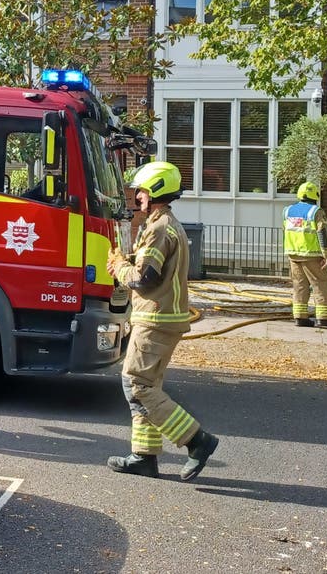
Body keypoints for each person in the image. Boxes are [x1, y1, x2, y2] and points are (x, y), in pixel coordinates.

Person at [105, 161, 219, 481]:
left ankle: (197, 441)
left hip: (156, 318)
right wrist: (126, 259)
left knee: (136, 384)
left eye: (140, 190)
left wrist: (120, 269)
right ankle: (143, 456)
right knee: (145, 385)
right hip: (160, 316)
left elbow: (144, 278)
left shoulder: (158, 227)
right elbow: (149, 268)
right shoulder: (162, 223)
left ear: (154, 190)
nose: (137, 195)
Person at [282, 181, 327, 329]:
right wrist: (326, 254)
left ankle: (300, 317)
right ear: (316, 196)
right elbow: (322, 232)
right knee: (320, 284)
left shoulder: (288, 211)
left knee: (299, 286)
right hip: (312, 255)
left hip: (293, 254)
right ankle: (324, 318)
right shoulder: (316, 211)